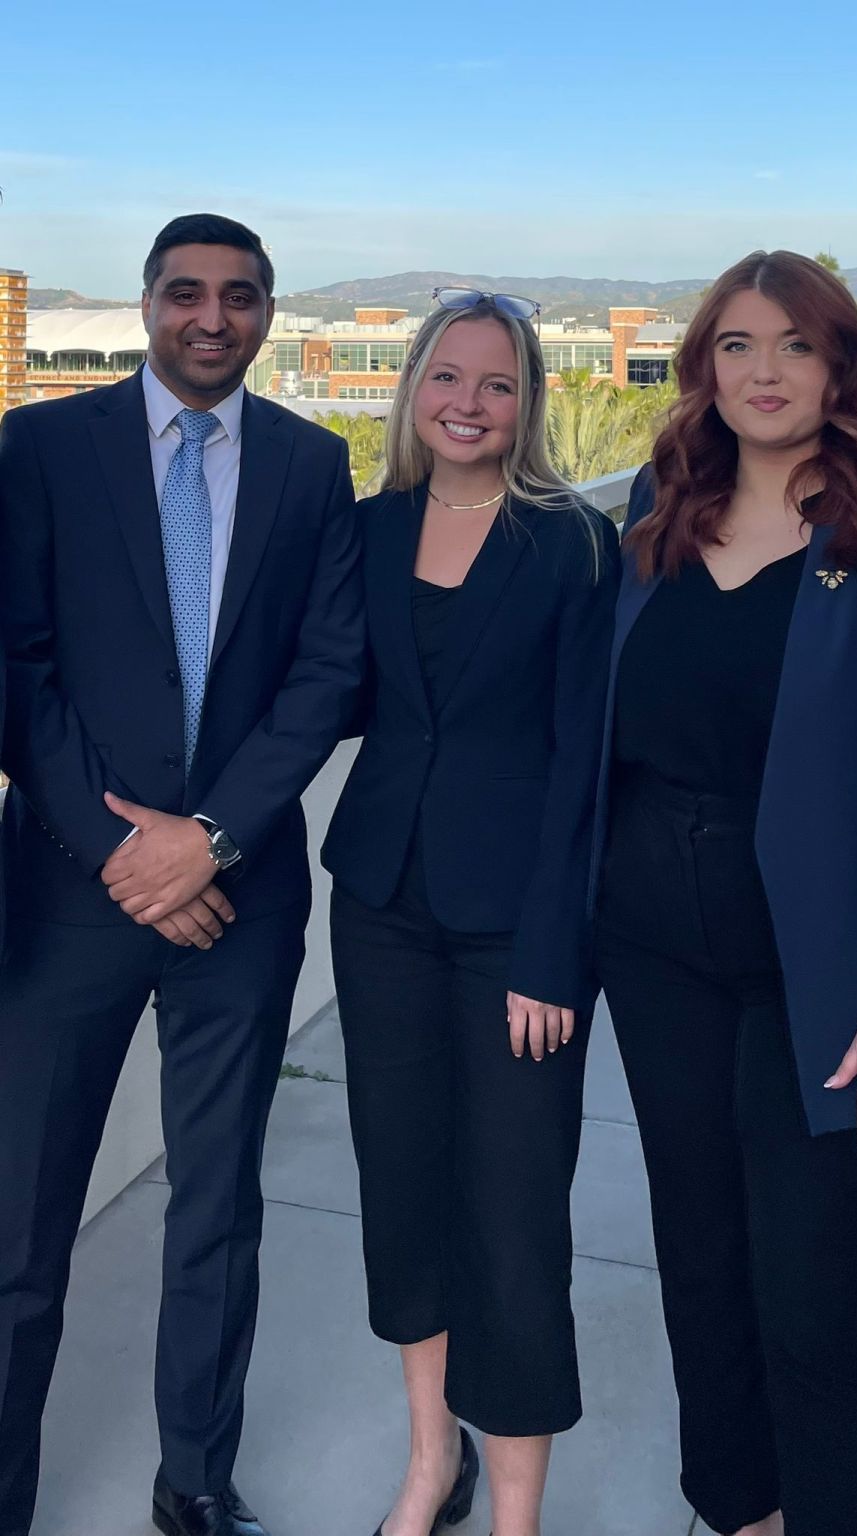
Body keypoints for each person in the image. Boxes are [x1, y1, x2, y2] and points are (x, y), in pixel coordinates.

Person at [590, 249, 857, 1536]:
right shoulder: (658, 509)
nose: (764, 372)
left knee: (824, 1293)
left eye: (795, 346)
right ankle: (741, 1512)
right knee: (702, 1264)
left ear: (839, 367)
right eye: (738, 345)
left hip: (832, 981)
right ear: (704, 365)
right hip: (658, 958)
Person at [0, 213, 364, 1536]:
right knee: (20, 1229)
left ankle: (196, 1479)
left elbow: (327, 671)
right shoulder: (42, 446)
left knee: (219, 1207)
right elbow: (18, 668)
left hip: (240, 898)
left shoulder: (315, 466)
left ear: (271, 311)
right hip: (63, 898)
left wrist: (208, 840)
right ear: (145, 302)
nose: (211, 318)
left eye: (240, 297)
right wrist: (121, 852)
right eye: (185, 294)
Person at [321, 289, 619, 1536]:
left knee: (512, 1218)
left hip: (517, 936)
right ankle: (428, 1460)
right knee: (403, 1190)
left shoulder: (571, 545)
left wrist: (554, 954)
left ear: (529, 401)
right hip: (381, 904)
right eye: (449, 377)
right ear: (413, 387)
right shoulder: (366, 529)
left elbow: (582, 763)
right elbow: (320, 689)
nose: (469, 403)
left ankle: (515, 1509)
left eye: (497, 384)